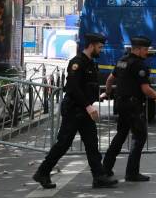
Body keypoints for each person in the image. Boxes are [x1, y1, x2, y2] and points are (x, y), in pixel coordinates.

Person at [33, 33, 117, 189]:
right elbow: (73, 88)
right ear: (91, 45)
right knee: (63, 144)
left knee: (92, 143)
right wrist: (88, 106)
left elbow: (86, 87)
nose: (101, 50)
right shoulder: (77, 63)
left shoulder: (90, 63)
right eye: (99, 47)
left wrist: (97, 97)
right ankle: (42, 172)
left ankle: (98, 177)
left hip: (84, 110)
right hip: (74, 110)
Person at [101, 36, 156, 182]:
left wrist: (107, 93)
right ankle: (132, 173)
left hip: (121, 104)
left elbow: (110, 79)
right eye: (146, 50)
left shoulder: (122, 61)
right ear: (139, 49)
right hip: (133, 106)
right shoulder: (140, 65)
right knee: (139, 137)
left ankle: (105, 168)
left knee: (120, 135)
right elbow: (146, 89)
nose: (147, 52)